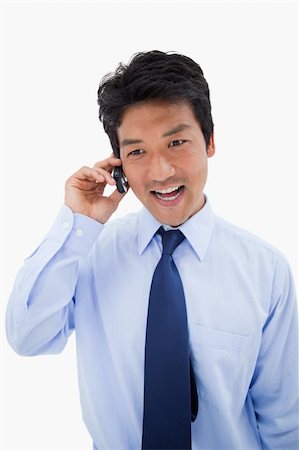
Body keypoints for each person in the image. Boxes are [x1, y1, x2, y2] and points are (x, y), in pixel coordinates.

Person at [6, 50, 298, 450]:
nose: (160, 172)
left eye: (176, 142)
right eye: (137, 151)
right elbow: (28, 336)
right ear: (119, 163)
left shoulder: (266, 270)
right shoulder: (89, 252)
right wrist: (78, 224)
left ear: (209, 141)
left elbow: (284, 421)